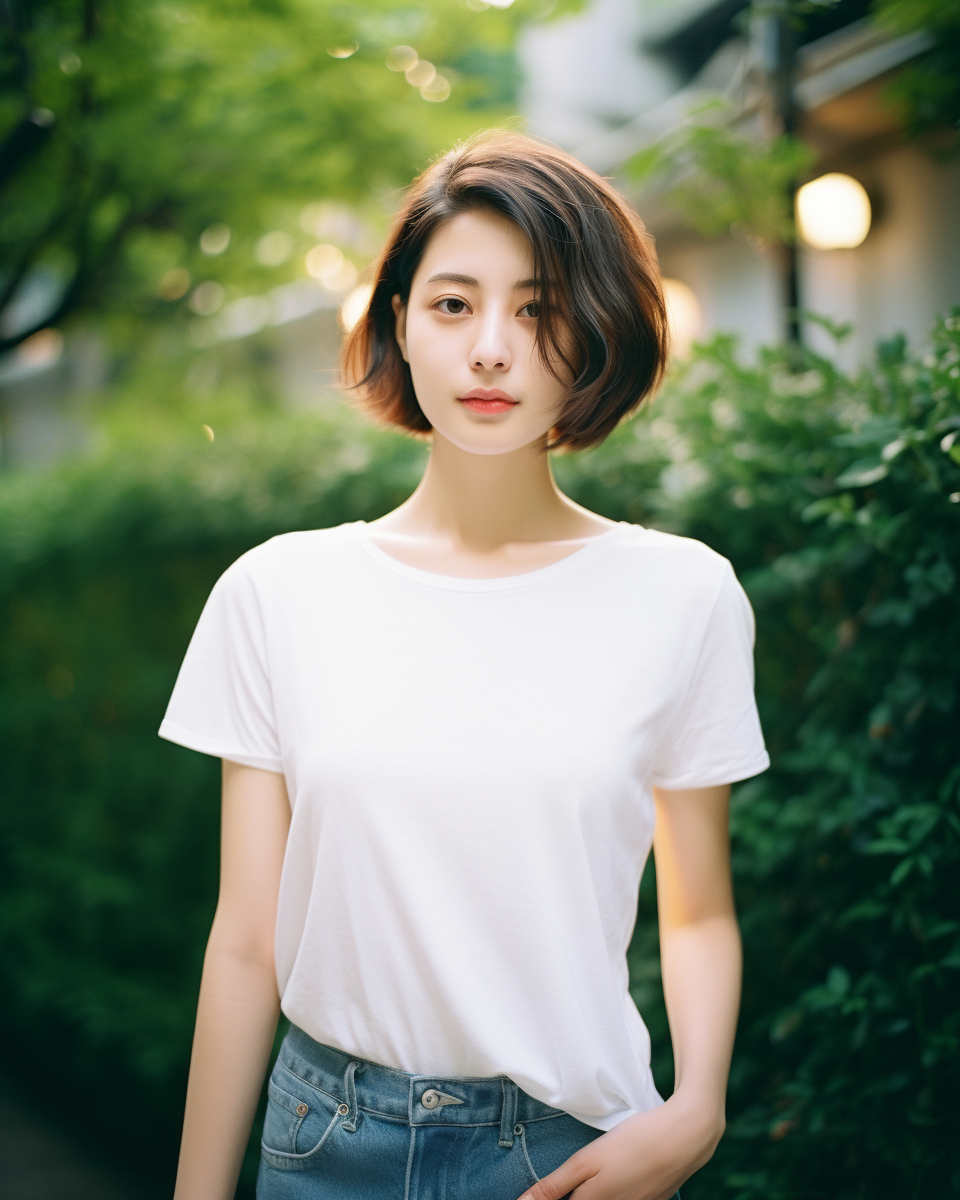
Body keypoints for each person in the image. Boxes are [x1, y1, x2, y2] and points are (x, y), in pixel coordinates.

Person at [159, 131, 769, 1200]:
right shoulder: (277, 593)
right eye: (452, 304)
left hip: (572, 1150)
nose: (493, 349)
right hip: (321, 1146)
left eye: (538, 309)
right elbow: (246, 943)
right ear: (397, 320)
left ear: (598, 330)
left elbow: (699, 907)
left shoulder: (684, 594)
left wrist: (695, 1114)